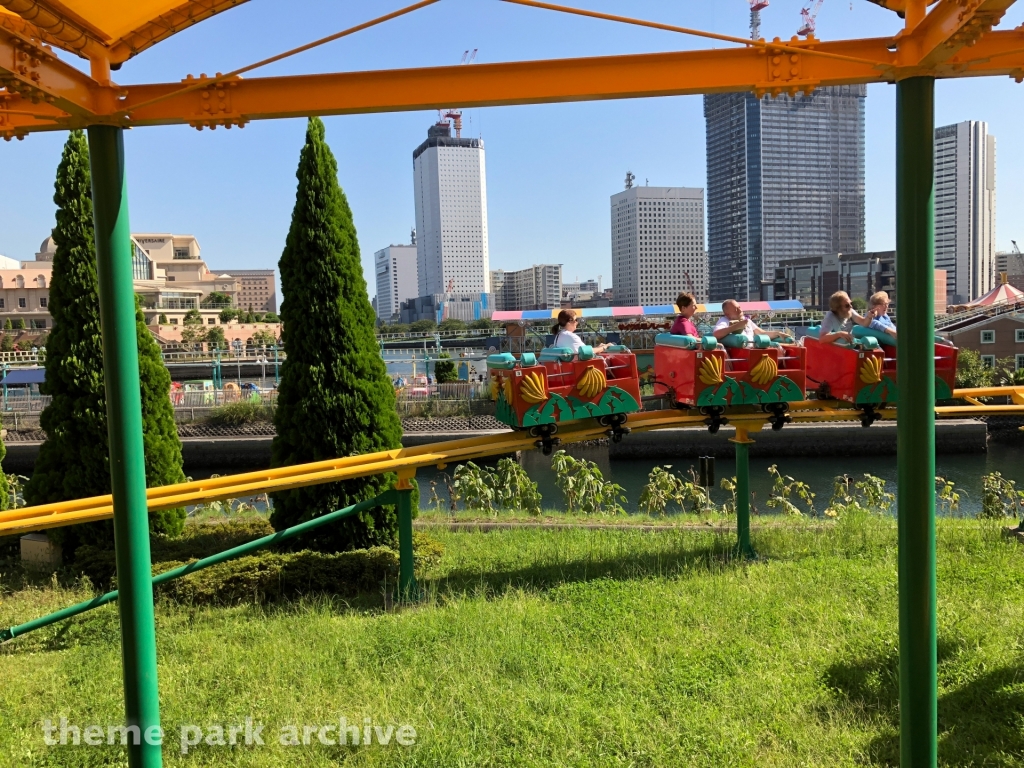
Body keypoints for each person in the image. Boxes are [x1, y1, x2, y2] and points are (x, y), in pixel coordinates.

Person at [712, 299, 789, 343]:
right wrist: (736, 327)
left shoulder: (747, 321)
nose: (740, 310)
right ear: (727, 314)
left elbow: (761, 333)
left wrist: (778, 333)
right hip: (739, 354)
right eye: (736, 309)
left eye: (739, 307)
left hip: (754, 350)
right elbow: (716, 334)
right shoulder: (724, 321)